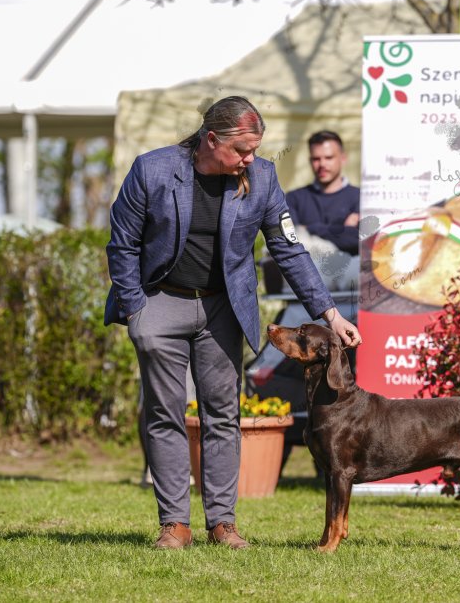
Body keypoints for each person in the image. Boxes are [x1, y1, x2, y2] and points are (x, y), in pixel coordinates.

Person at [105, 96, 360, 550]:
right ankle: (174, 524)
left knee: (223, 414)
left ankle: (222, 523)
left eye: (255, 150)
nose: (250, 159)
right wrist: (136, 310)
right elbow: (122, 245)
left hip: (223, 308)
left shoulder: (262, 178)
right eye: (242, 150)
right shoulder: (152, 170)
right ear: (211, 139)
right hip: (160, 300)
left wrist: (330, 313)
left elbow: (289, 249)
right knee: (165, 413)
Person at [285, 130, 361, 255]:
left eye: (329, 158)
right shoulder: (293, 199)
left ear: (343, 158)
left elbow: (360, 240)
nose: (322, 164)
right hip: (308, 267)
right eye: (316, 159)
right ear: (310, 161)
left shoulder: (361, 198)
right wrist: (343, 230)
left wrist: (308, 229)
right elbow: (289, 242)